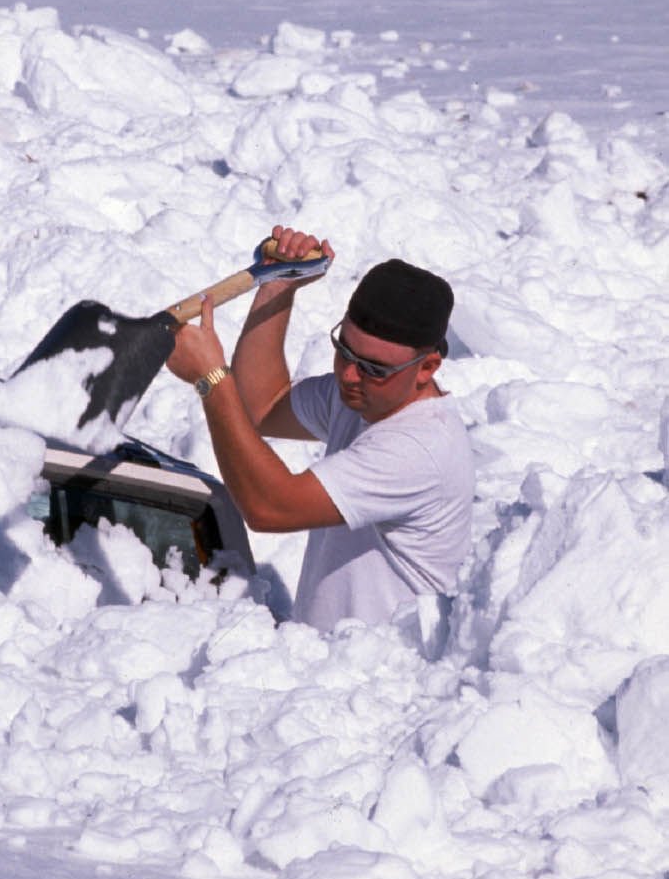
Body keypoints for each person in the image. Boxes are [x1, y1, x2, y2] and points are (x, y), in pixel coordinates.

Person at [166, 226, 474, 631]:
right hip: (325, 668)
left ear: (428, 367)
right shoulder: (368, 394)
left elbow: (269, 507)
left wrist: (210, 379)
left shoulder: (419, 447)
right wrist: (278, 283)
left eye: (373, 368)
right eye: (343, 349)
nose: (348, 375)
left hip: (377, 682)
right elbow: (262, 406)